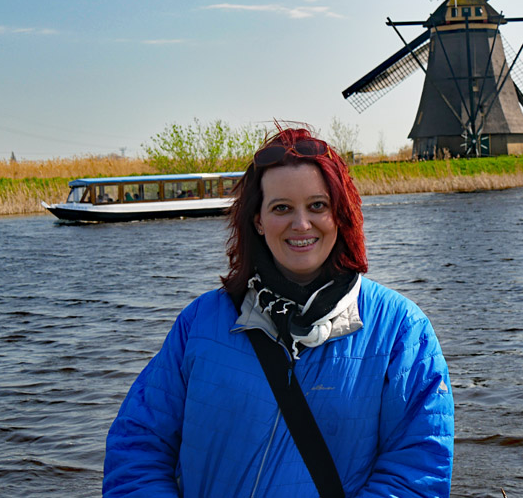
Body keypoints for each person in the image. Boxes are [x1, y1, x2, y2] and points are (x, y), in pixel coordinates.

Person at [103, 127, 454, 497]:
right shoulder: (200, 322)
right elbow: (138, 446)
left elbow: (417, 473)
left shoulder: (401, 330)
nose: (301, 224)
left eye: (317, 205)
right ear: (257, 219)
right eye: (281, 208)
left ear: (340, 214)